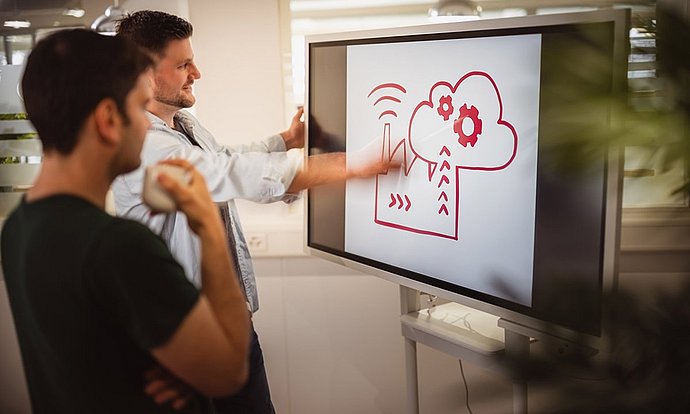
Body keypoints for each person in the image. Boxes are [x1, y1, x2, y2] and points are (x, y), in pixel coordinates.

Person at [112, 10, 393, 414]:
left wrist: (286, 140)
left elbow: (227, 156)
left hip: (230, 324)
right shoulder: (141, 143)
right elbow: (226, 173)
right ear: (144, 73)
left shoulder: (183, 124)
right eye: (183, 64)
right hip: (186, 337)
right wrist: (346, 166)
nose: (197, 73)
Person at [0, 29, 253, 414]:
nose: (147, 127)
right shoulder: (118, 246)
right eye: (140, 108)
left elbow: (94, 346)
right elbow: (229, 371)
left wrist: (164, 358)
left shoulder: (19, 228)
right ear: (108, 119)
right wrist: (207, 226)